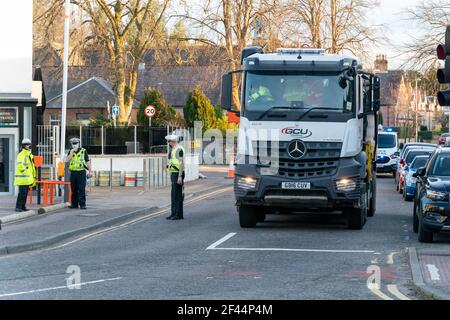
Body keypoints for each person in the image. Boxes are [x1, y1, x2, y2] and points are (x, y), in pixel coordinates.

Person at [66, 138, 92, 210]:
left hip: (81, 172)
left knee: (81, 189)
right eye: (73, 144)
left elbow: (87, 162)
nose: (75, 145)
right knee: (74, 189)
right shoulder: (70, 151)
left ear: (79, 144)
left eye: (76, 143)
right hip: (73, 172)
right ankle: (74, 204)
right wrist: (71, 152)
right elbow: (67, 160)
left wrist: (90, 171)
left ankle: (82, 204)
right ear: (71, 144)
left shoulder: (83, 151)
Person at [165, 135, 185, 221]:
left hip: (178, 174)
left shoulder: (179, 149)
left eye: (169, 141)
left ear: (173, 141)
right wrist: (167, 169)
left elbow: (181, 163)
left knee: (177, 195)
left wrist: (180, 176)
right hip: (173, 173)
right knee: (174, 195)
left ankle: (178, 214)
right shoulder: (173, 149)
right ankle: (174, 213)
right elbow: (171, 162)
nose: (168, 143)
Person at [14, 138, 36, 212]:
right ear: (23, 146)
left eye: (29, 144)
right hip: (22, 178)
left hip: (27, 179)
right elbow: (20, 165)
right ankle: (18, 207)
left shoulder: (29, 155)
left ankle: (23, 206)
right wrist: (25, 173)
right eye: (26, 144)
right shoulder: (22, 154)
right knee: (22, 194)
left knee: (25, 194)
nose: (28, 146)